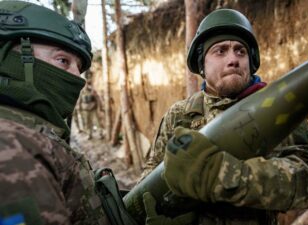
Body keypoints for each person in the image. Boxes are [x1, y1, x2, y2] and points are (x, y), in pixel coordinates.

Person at [0, 1, 194, 225]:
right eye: (63, 60)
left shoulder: (32, 134)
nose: (77, 77)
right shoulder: (13, 148)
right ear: (13, 57)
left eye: (78, 67)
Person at [144, 8, 308, 225]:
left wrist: (225, 175)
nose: (233, 59)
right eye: (220, 51)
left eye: (240, 51)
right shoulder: (180, 115)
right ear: (202, 65)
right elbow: (150, 178)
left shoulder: (273, 107)